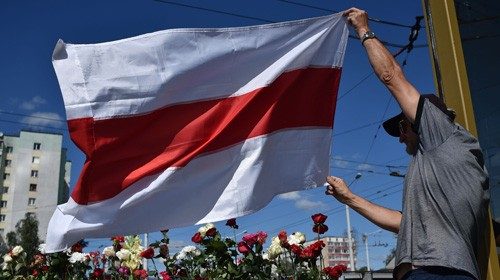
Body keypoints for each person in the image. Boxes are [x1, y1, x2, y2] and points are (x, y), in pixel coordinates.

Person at [325, 7, 490, 280]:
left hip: (438, 272)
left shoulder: (445, 135)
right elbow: (403, 223)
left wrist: (363, 30)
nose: (400, 137)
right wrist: (349, 198)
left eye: (403, 127)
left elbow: (392, 77)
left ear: (429, 120)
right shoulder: (438, 172)